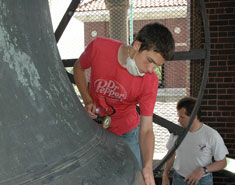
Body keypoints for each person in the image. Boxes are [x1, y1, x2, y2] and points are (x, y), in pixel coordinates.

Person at [73, 22, 175, 185]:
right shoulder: (99, 47)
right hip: (94, 129)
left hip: (127, 131)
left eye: (156, 65)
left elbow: (147, 129)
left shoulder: (150, 81)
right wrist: (88, 100)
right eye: (149, 60)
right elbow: (78, 68)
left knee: (138, 179)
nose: (150, 69)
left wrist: (148, 166)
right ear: (137, 46)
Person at [162, 97, 229, 185]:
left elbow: (222, 162)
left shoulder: (211, 135)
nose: (178, 120)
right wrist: (165, 175)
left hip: (202, 181)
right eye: (178, 117)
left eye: (182, 117)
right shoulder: (177, 131)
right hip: (179, 179)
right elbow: (171, 153)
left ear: (194, 117)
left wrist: (203, 170)